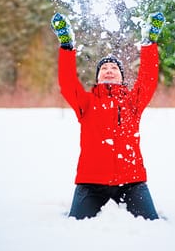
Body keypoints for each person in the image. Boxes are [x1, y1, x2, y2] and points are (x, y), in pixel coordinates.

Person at [51, 12, 165, 220]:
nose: (109, 70)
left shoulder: (133, 102)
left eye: (114, 68)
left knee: (153, 224)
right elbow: (67, 83)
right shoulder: (86, 102)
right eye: (104, 68)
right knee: (73, 226)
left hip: (131, 182)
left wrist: (149, 44)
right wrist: (67, 47)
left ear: (122, 77)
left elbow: (147, 79)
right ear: (97, 77)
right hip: (90, 183)